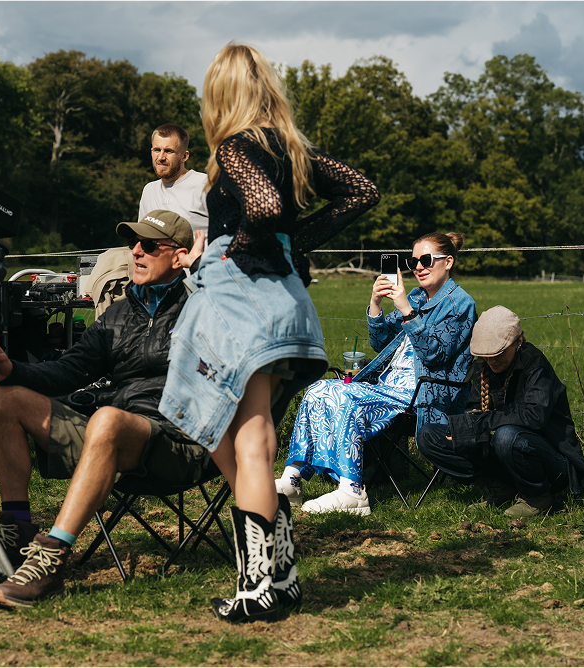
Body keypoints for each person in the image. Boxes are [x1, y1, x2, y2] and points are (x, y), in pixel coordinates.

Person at [158, 43, 379, 624]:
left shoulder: (235, 146)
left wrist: (242, 248)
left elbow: (262, 205)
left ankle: (259, 586)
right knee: (229, 434)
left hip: (242, 296)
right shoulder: (291, 147)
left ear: (221, 93)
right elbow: (362, 190)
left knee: (246, 441)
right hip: (283, 300)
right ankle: (280, 573)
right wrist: (293, 243)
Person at [0, 210, 209, 609]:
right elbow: (67, 371)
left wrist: (205, 273)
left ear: (179, 257)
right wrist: (11, 369)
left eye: (149, 245)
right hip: (115, 435)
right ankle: (16, 541)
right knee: (6, 397)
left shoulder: (202, 308)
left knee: (107, 419)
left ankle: (52, 559)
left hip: (178, 444)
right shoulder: (119, 314)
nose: (136, 252)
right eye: (133, 243)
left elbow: (245, 324)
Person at [275, 233, 476, 515]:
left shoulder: (459, 304)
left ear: (448, 262)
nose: (419, 267)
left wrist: (406, 309)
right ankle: (292, 479)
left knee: (347, 399)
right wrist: (376, 303)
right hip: (390, 388)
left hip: (425, 395)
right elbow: (381, 343)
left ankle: (352, 492)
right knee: (318, 389)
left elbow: (435, 355)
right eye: (413, 262)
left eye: (426, 260)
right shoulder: (417, 297)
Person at [417, 306, 584, 517]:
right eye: (486, 355)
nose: (491, 361)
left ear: (518, 342)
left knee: (506, 436)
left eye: (498, 353)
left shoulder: (535, 365)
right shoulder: (482, 367)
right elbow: (474, 412)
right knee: (429, 436)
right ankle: (499, 487)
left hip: (550, 462)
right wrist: (466, 428)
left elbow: (534, 418)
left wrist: (484, 422)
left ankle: (537, 496)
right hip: (508, 452)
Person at [137, 124, 209, 235]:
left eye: (168, 151)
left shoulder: (205, 185)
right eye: (157, 150)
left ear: (184, 156)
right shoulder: (149, 190)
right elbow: (142, 235)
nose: (161, 157)